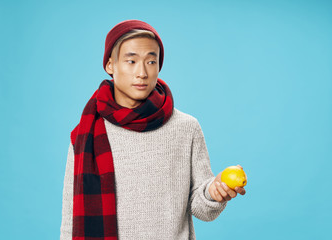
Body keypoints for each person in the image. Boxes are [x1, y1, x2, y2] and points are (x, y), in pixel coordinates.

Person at [60, 19, 246, 240]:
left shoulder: (187, 128)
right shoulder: (86, 134)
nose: (142, 73)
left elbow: (201, 208)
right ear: (111, 65)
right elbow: (71, 219)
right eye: (131, 61)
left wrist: (214, 193)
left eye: (151, 61)